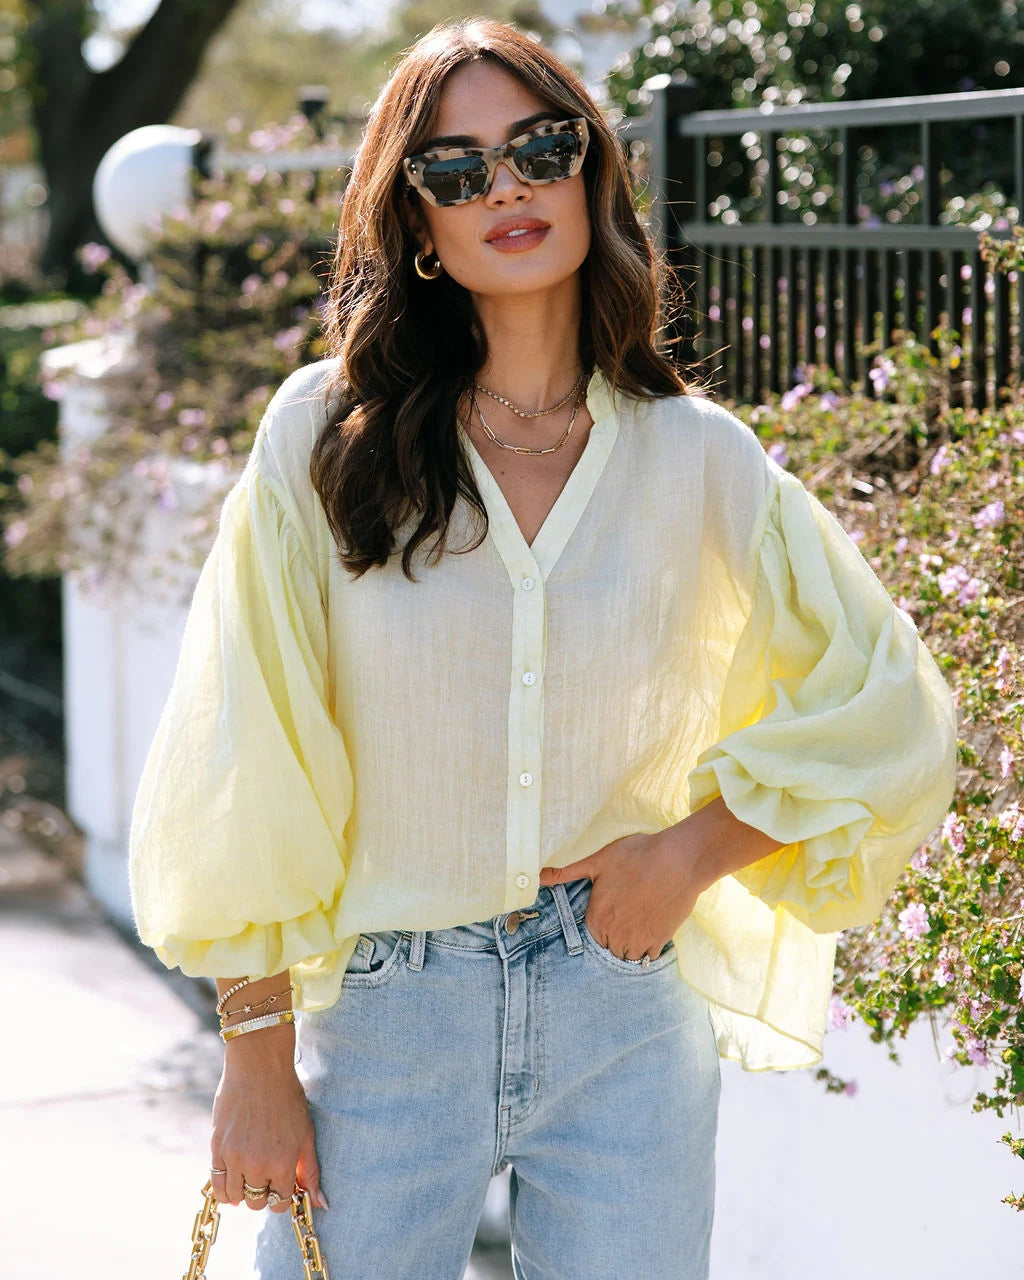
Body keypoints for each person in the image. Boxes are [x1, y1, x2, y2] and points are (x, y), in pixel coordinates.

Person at [128, 18, 957, 1280]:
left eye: (536, 147)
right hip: (395, 1013)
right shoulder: (323, 436)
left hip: (624, 1005)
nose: (504, 187)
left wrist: (692, 849)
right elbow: (249, 745)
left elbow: (890, 703)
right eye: (454, 170)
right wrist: (255, 1056)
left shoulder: (700, 459)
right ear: (417, 224)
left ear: (590, 169)